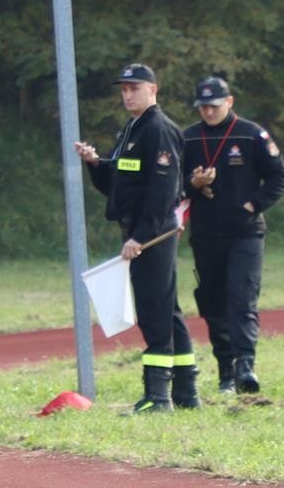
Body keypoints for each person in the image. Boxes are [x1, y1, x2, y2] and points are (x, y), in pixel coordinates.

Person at [74, 63, 198, 412]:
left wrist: (140, 236)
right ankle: (186, 392)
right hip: (141, 230)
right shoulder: (133, 129)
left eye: (135, 88)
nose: (128, 95)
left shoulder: (157, 129)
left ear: (153, 90)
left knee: (153, 309)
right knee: (167, 308)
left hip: (153, 232)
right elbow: (119, 184)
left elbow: (163, 191)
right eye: (124, 89)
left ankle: (158, 397)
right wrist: (96, 163)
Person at [181, 76, 284, 393]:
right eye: (203, 107)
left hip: (246, 234)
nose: (208, 112)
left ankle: (246, 366)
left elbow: (279, 178)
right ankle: (226, 371)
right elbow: (173, 186)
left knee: (242, 300)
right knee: (213, 303)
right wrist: (194, 184)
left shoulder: (252, 134)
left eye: (214, 106)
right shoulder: (187, 138)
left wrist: (252, 205)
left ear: (229, 102)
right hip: (205, 235)